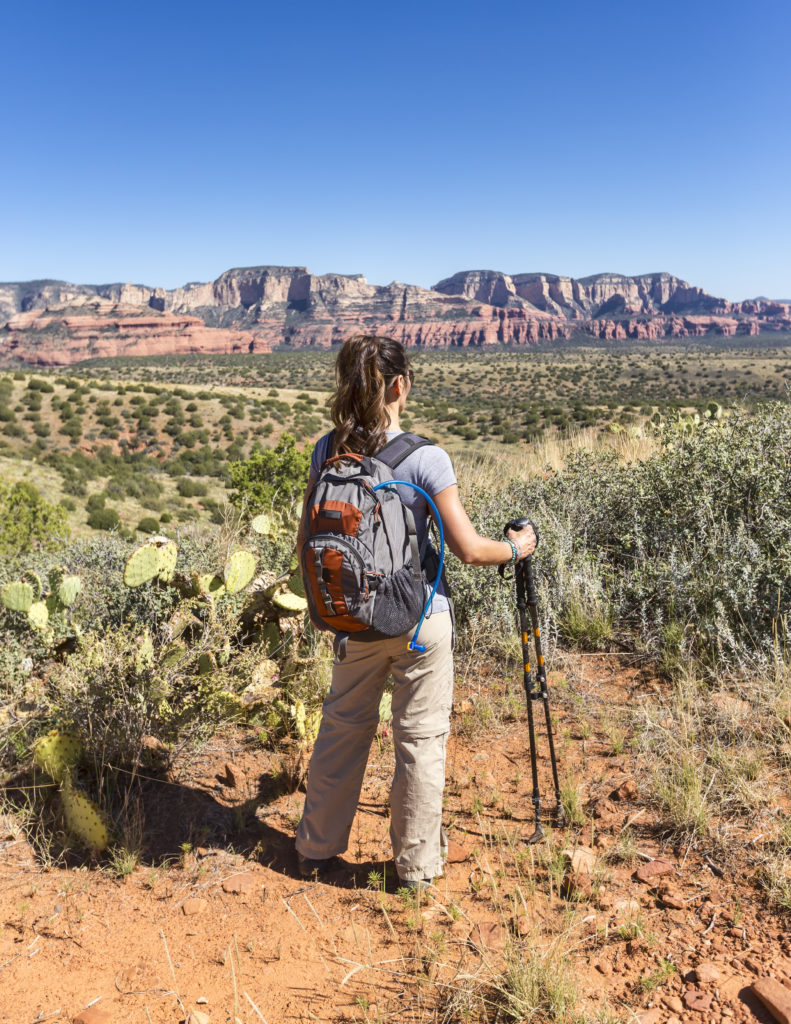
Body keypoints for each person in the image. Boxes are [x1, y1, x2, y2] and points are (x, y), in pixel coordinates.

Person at [294, 334, 536, 888]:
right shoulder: (426, 457)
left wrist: (321, 607)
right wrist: (521, 547)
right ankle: (416, 869)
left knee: (341, 730)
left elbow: (307, 535)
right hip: (419, 617)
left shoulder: (325, 449)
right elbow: (471, 549)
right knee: (420, 738)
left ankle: (315, 851)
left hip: (351, 615)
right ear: (399, 386)